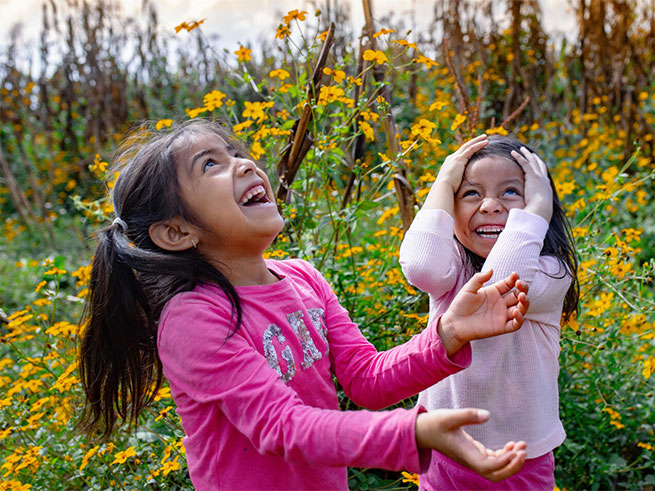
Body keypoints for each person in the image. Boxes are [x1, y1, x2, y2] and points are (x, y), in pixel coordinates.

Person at [77, 120, 534, 490]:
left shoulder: (302, 278)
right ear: (177, 232)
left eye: (236, 153)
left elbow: (366, 379)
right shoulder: (193, 317)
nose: (244, 164)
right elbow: (283, 427)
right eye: (210, 164)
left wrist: (447, 333)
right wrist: (409, 433)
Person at [399, 134, 580, 490]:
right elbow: (420, 266)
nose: (490, 205)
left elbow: (499, 285)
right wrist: (443, 181)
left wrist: (538, 210)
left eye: (511, 192)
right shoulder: (452, 265)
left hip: (520, 458)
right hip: (444, 448)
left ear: (539, 208)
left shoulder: (550, 271)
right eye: (471, 193)